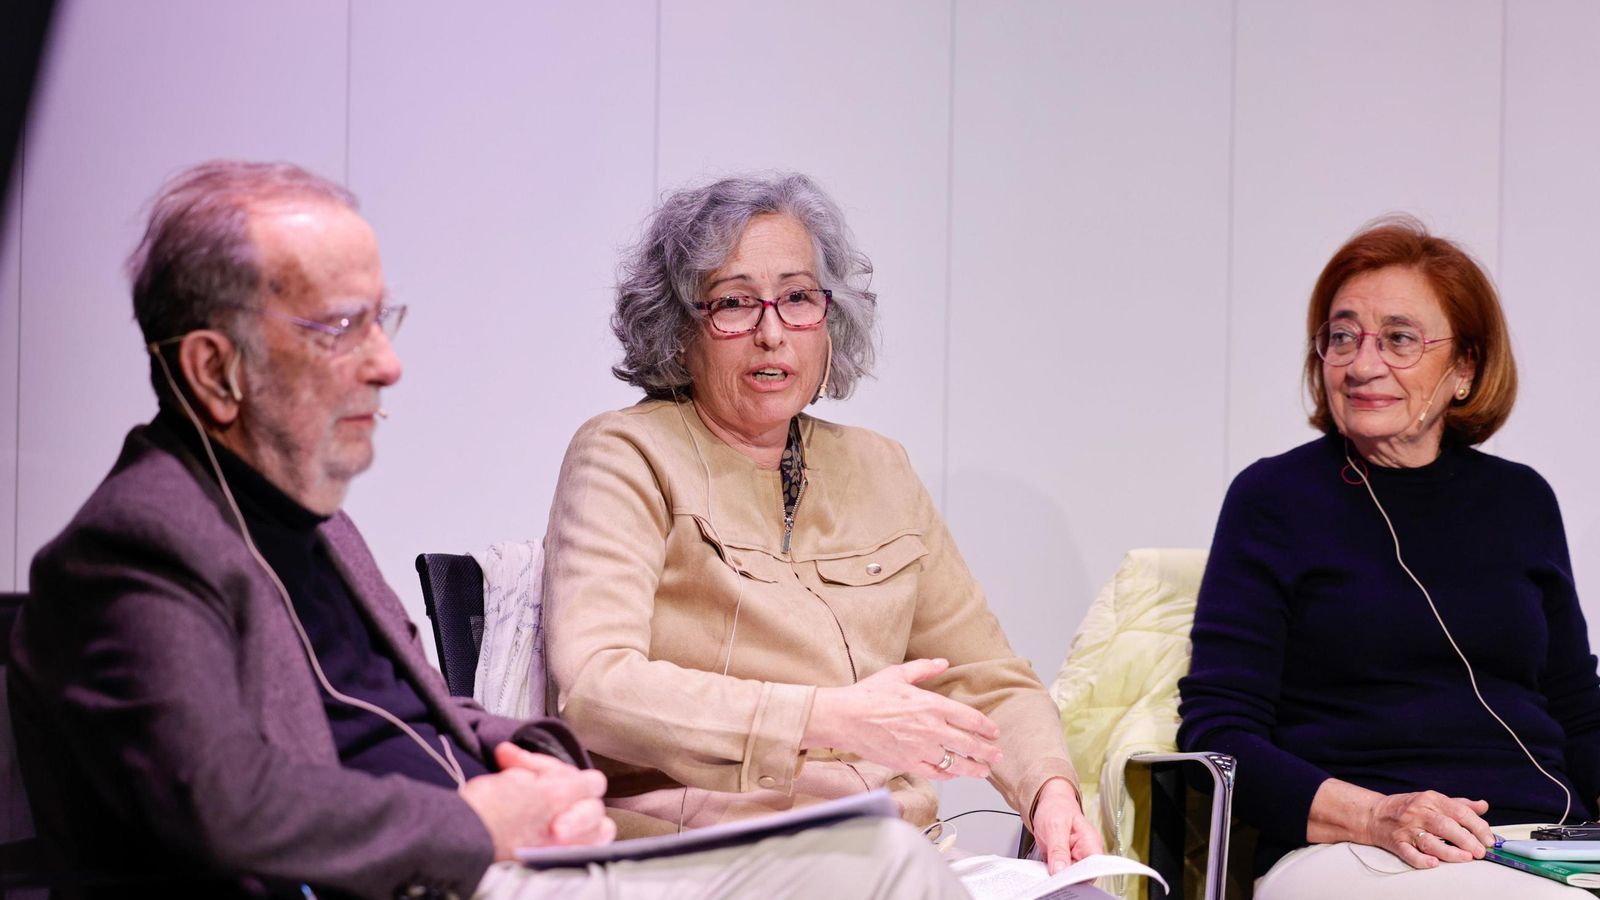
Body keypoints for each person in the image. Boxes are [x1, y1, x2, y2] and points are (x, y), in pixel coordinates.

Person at [6, 161, 967, 900]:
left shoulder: (312, 528)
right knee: (872, 863)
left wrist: (539, 761)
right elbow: (224, 801)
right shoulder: (134, 550)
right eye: (341, 329)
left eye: (383, 321)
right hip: (446, 874)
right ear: (217, 370)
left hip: (496, 869)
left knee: (877, 853)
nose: (386, 365)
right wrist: (476, 820)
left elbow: (414, 712)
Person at [542, 172, 1102, 873]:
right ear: (681, 325)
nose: (772, 333)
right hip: (706, 855)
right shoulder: (625, 454)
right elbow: (598, 688)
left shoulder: (881, 468)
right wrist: (823, 718)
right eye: (736, 303)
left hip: (895, 854)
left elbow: (986, 678)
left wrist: (1050, 792)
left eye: (799, 299)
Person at [1177, 216, 1600, 899]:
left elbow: (1579, 713)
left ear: (1465, 366)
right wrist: (1375, 814)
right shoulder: (1274, 500)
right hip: (1360, 844)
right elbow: (1220, 740)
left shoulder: (1522, 501)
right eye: (1342, 337)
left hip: (1543, 842)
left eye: (1399, 339)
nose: (1362, 364)